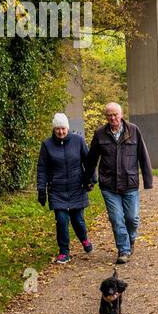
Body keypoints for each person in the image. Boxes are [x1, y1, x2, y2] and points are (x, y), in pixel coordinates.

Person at [85, 102, 153, 265]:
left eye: (115, 114)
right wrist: (88, 179)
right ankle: (123, 250)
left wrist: (147, 180)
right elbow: (91, 159)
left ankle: (130, 240)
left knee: (132, 218)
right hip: (109, 185)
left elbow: (143, 156)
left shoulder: (133, 130)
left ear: (121, 114)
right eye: (109, 115)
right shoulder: (100, 134)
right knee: (116, 218)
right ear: (106, 117)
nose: (113, 118)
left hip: (130, 183)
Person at [36, 113, 93, 264]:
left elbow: (88, 162)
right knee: (61, 220)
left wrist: (91, 180)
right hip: (57, 189)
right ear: (53, 129)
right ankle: (64, 252)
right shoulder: (47, 145)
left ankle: (84, 239)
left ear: (67, 128)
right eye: (57, 129)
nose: (60, 132)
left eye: (63, 129)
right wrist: (41, 190)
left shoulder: (78, 141)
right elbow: (42, 169)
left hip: (76, 186)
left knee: (78, 220)